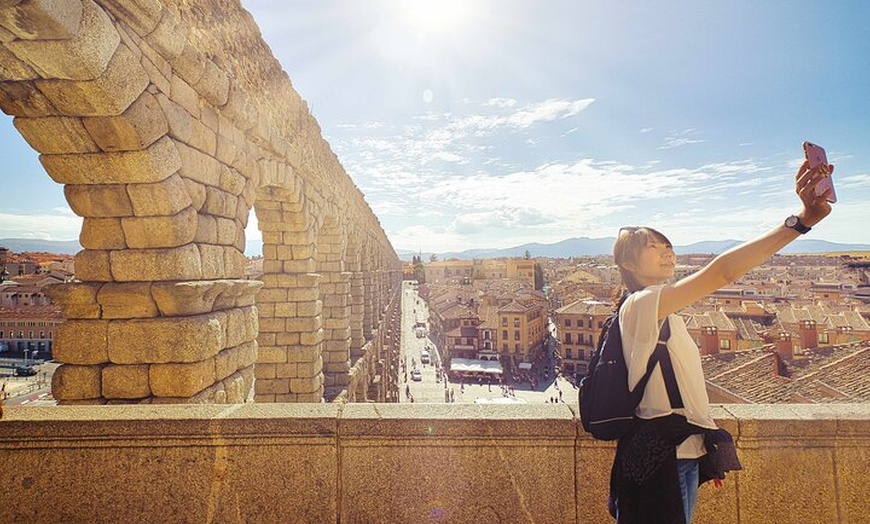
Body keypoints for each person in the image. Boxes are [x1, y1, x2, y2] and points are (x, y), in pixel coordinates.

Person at [608, 158, 833, 523]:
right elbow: (724, 271)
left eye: (669, 246)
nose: (668, 252)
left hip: (677, 457)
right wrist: (800, 221)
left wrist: (706, 451)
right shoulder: (641, 304)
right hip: (664, 464)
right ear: (628, 264)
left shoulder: (660, 311)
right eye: (653, 247)